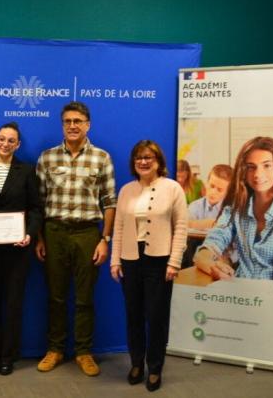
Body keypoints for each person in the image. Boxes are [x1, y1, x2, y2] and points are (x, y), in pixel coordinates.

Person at [35, 101, 116, 377]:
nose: (72, 126)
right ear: (62, 125)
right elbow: (39, 203)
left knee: (85, 298)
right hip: (54, 233)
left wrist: (105, 239)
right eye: (68, 121)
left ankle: (83, 352)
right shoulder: (47, 158)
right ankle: (55, 349)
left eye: (78, 121)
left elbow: (109, 202)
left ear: (87, 125)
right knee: (55, 296)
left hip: (87, 234)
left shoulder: (101, 158)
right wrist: (40, 238)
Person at [110, 140, 187, 392]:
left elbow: (181, 228)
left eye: (148, 157)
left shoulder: (173, 188)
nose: (143, 162)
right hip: (131, 259)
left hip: (160, 260)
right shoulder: (126, 190)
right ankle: (136, 363)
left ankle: (154, 367)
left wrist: (174, 262)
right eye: (139, 158)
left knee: (156, 317)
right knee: (133, 315)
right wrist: (115, 260)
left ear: (158, 162)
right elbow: (118, 227)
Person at [0, 122, 42, 376]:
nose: (5, 144)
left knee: (13, 304)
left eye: (11, 141)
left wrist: (29, 234)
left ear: (18, 145)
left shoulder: (27, 171)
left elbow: (36, 209)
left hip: (17, 250)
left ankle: (8, 356)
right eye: (1, 139)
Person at [194, 137, 273, 294]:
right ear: (243, 171)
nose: (257, 174)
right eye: (251, 167)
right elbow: (208, 247)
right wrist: (212, 264)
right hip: (239, 296)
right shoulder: (236, 208)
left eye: (267, 165)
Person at [187, 164, 232, 230]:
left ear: (227, 193)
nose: (213, 192)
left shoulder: (231, 210)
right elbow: (185, 225)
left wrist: (195, 224)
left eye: (219, 190)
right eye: (212, 186)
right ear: (206, 183)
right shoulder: (194, 206)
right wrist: (210, 224)